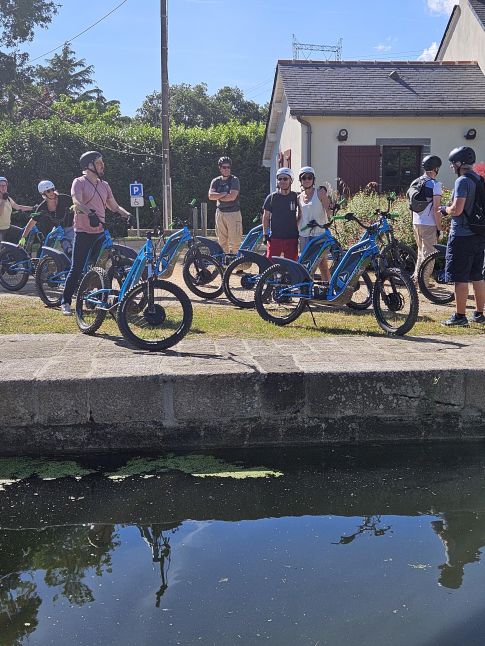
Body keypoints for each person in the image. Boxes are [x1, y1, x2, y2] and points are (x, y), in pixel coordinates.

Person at [60, 151, 131, 316]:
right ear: (89, 165)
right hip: (83, 231)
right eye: (99, 162)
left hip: (100, 231)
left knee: (101, 267)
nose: (102, 165)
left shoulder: (104, 185)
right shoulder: (79, 182)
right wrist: (89, 213)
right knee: (77, 268)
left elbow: (114, 206)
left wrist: (127, 215)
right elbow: (76, 202)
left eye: (102, 162)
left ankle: (95, 299)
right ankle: (65, 301)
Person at [440, 146, 485, 326]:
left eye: (452, 164)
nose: (452, 167)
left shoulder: (462, 181)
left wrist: (445, 209)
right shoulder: (479, 179)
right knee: (477, 276)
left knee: (460, 277)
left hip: (462, 235)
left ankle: (460, 316)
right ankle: (479, 314)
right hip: (478, 234)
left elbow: (457, 209)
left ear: (459, 164)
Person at [410, 155, 443, 286]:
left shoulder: (416, 182)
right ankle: (423, 284)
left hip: (416, 222)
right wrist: (439, 228)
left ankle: (417, 280)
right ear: (436, 168)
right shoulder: (435, 185)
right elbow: (436, 208)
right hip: (429, 224)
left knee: (420, 253)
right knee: (430, 255)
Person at [19, 180, 74, 254]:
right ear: (43, 193)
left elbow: (77, 206)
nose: (51, 192)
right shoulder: (42, 207)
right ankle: (44, 260)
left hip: (70, 227)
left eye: (52, 189)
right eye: (48, 191)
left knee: (71, 247)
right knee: (48, 243)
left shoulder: (65, 199)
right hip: (58, 229)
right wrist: (23, 238)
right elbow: (32, 222)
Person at [297, 166, 331, 282]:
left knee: (321, 264)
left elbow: (329, 210)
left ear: (313, 179)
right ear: (300, 180)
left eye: (309, 177)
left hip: (319, 234)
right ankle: (309, 290)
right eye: (304, 178)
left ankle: (326, 288)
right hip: (304, 234)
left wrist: (330, 223)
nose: (307, 180)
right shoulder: (299, 197)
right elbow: (300, 216)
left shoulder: (320, 193)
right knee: (309, 264)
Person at [262, 167, 300, 261]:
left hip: (292, 238)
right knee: (269, 266)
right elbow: (266, 217)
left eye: (285, 178)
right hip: (275, 238)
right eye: (280, 178)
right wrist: (265, 234)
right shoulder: (271, 197)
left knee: (291, 267)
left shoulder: (296, 197)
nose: (282, 181)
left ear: (291, 180)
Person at [208, 156, 242, 254]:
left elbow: (232, 197)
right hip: (220, 213)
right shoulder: (215, 181)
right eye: (224, 167)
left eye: (228, 167)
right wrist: (224, 194)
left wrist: (218, 196)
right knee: (222, 241)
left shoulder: (234, 180)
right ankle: (223, 266)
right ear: (220, 168)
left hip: (233, 213)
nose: (226, 169)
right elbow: (210, 196)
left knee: (235, 242)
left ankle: (238, 266)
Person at [0, 176, 33, 243]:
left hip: (8, 227)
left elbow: (18, 207)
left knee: (22, 234)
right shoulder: (4, 199)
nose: (3, 187)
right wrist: (3, 201)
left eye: (5, 185)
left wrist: (33, 208)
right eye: (1, 186)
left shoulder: (8, 199)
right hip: (0, 230)